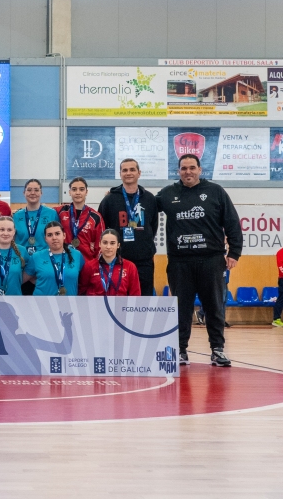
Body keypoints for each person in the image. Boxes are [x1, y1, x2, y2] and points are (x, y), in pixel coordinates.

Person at [155, 154, 242, 368]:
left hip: (211, 259)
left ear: (200, 170)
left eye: (192, 167)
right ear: (178, 171)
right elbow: (146, 205)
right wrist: (119, 195)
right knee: (181, 308)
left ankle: (217, 350)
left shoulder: (216, 192)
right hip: (180, 262)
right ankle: (180, 350)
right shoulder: (167, 194)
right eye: (184, 168)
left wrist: (234, 253)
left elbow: (232, 222)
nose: (188, 172)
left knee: (214, 307)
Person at [98, 159, 159, 297]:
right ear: (120, 174)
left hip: (144, 261)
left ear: (139, 173)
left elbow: (153, 226)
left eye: (132, 170)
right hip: (117, 260)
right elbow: (102, 228)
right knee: (118, 299)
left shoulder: (149, 199)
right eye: (124, 170)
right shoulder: (109, 199)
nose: (128, 173)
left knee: (144, 299)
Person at [12, 180, 57, 294]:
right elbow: (12, 241)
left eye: (36, 190)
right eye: (29, 190)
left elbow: (57, 239)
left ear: (41, 193)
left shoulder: (51, 214)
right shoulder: (16, 215)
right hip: (22, 266)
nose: (33, 193)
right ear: (24, 193)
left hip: (44, 266)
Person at [79, 229, 142, 296]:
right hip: (95, 302)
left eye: (112, 243)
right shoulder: (89, 266)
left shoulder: (130, 267)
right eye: (105, 243)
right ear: (100, 244)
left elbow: (135, 295)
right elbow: (81, 292)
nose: (108, 247)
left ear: (118, 245)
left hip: (120, 302)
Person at [32, 220, 85, 297]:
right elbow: (23, 277)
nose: (54, 238)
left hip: (69, 302)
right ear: (45, 239)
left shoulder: (77, 255)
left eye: (57, 234)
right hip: (42, 302)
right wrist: (44, 282)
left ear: (64, 235)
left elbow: (83, 278)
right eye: (49, 235)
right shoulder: (36, 257)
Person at [58, 177, 104, 260]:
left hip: (87, 262)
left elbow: (100, 244)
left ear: (86, 192)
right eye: (74, 189)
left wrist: (94, 264)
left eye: (81, 189)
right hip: (64, 261)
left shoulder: (96, 217)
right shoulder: (61, 211)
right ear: (69, 192)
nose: (78, 193)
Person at [273, 246, 283, 327]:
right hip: (282, 279)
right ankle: (276, 319)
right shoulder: (280, 252)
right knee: (281, 299)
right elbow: (281, 266)